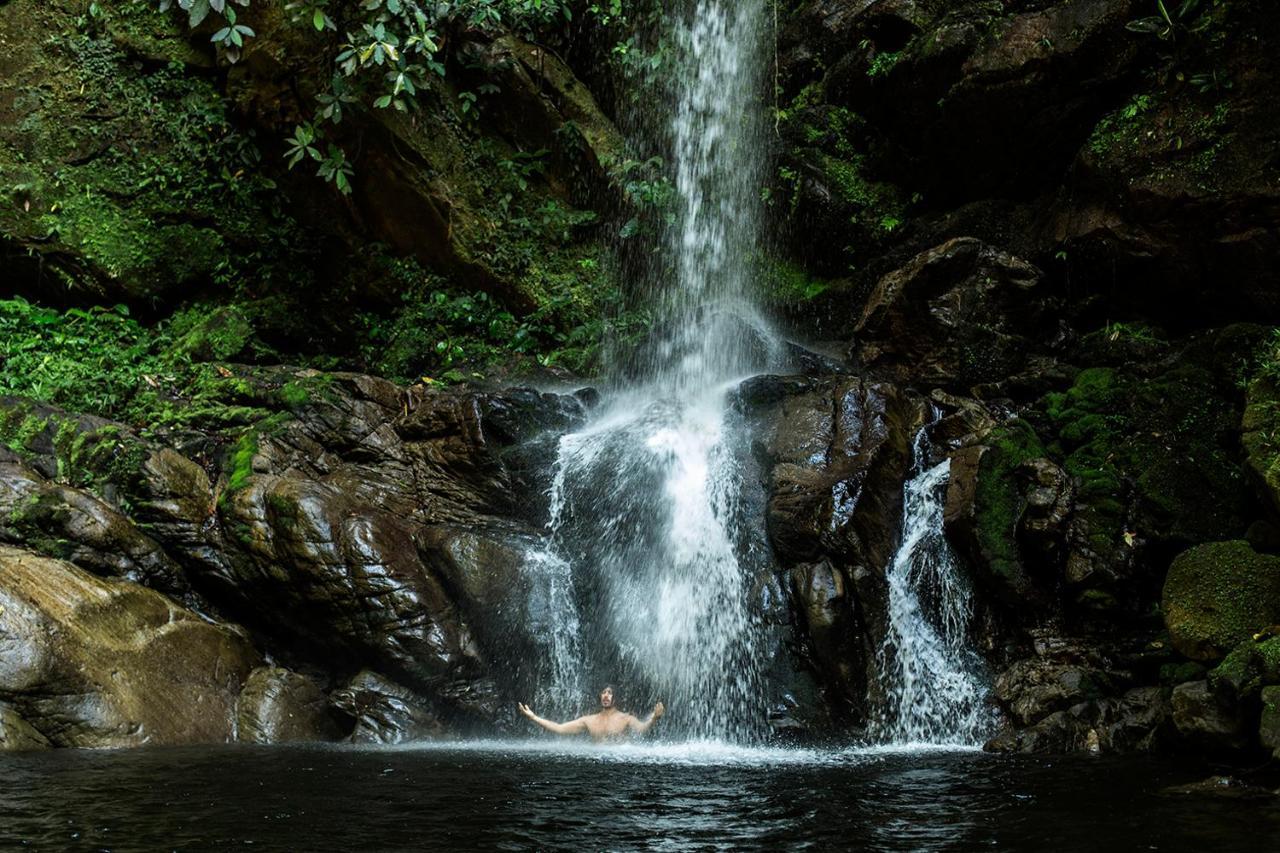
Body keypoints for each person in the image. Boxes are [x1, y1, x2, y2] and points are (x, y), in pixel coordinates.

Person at [518, 685, 664, 742]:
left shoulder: (626, 718)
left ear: (615, 698)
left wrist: (654, 719)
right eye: (604, 692)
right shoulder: (589, 720)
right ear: (600, 696)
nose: (606, 695)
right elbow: (559, 728)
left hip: (619, 767)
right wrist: (533, 717)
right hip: (596, 766)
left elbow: (642, 729)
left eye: (610, 693)